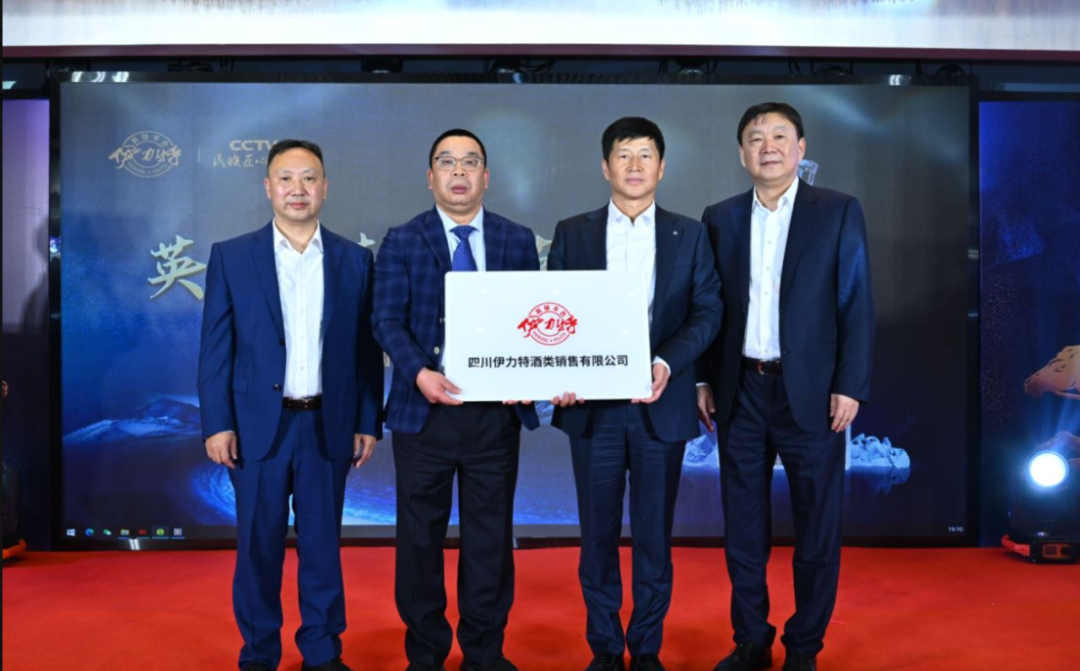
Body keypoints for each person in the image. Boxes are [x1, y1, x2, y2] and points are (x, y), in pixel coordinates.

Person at [697, 102, 875, 671]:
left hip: (814, 395)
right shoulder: (719, 217)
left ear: (801, 148)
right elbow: (709, 306)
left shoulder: (837, 211)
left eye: (779, 136)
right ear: (741, 154)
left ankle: (804, 647)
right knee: (742, 529)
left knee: (817, 528)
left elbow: (856, 303)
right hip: (741, 392)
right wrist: (702, 377)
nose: (768, 146)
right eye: (756, 138)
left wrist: (850, 384)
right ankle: (751, 640)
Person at [198, 139, 384, 671]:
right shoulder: (232, 256)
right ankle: (259, 654)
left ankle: (322, 654)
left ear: (325, 187)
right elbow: (216, 348)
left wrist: (367, 419)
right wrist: (217, 423)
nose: (297, 189)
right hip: (258, 428)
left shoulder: (353, 260)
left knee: (322, 549)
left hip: (328, 424)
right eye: (286, 178)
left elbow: (365, 351)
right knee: (258, 549)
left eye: (309, 178)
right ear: (268, 187)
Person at [547, 117, 721, 671]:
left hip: (659, 407)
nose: (635, 165)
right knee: (596, 537)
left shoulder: (689, 233)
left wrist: (666, 362)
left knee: (653, 538)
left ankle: (645, 648)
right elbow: (556, 312)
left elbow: (707, 310)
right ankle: (604, 648)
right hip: (592, 412)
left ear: (662, 167)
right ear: (606, 167)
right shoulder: (572, 232)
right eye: (624, 155)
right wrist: (561, 371)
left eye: (646, 155)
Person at [373, 129, 540, 671]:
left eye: (470, 162)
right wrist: (419, 372)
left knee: (490, 540)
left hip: (495, 418)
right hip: (424, 416)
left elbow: (531, 318)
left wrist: (529, 372)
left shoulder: (516, 239)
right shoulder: (402, 239)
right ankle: (425, 653)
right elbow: (385, 319)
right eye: (447, 162)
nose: (459, 172)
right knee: (419, 540)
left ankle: (484, 653)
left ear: (486, 177)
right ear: (431, 177)